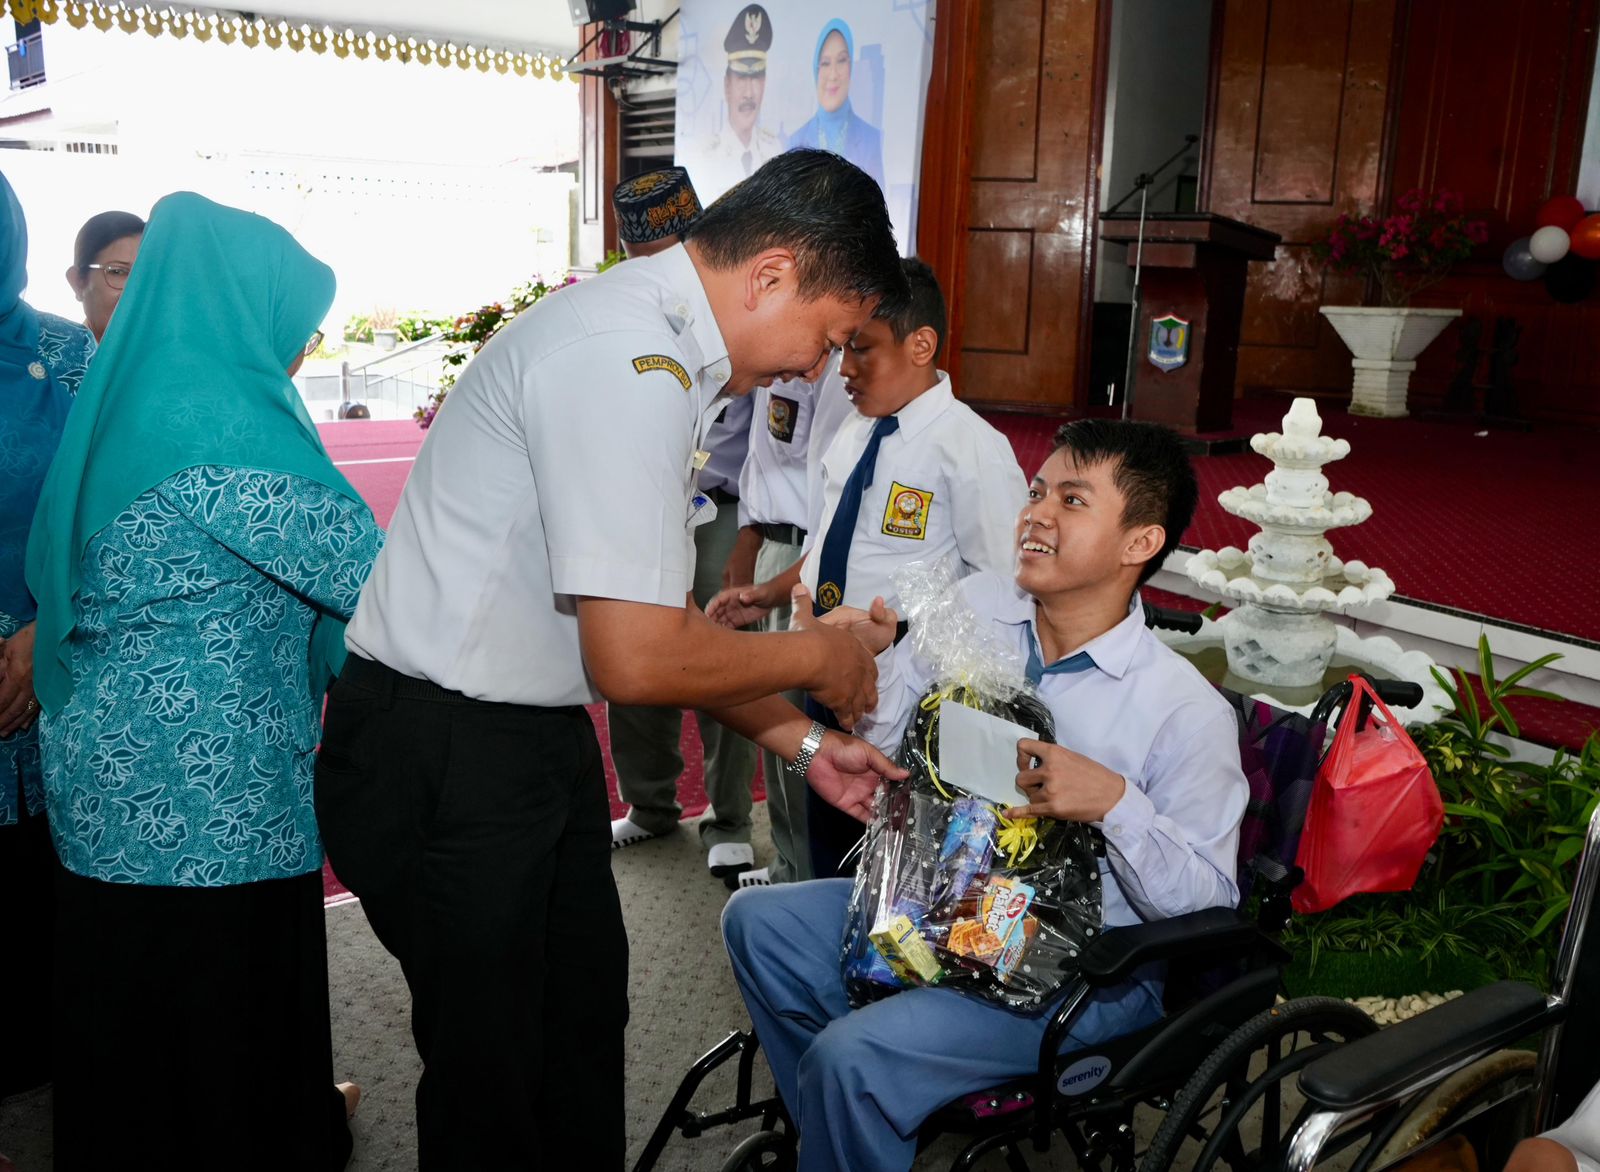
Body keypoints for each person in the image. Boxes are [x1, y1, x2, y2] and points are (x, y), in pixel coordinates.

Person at [315, 149, 910, 1171]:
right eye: (827, 337)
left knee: (580, 1026)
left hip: (521, 738)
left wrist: (805, 744)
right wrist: (822, 652)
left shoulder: (655, 348)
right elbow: (637, 659)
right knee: (495, 1072)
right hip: (447, 749)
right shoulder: (626, 357)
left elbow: (661, 624)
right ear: (770, 274)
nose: (816, 369)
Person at [722, 418, 1250, 1172]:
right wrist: (859, 668)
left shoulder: (1183, 710)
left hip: (1081, 971)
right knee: (757, 922)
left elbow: (1211, 902)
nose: (1036, 514)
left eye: (1072, 500)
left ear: (1140, 542)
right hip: (937, 907)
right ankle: (847, 1121)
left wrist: (1114, 804)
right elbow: (888, 737)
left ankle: (863, 1078)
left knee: (851, 1056)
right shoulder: (977, 610)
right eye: (1036, 492)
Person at [25, 191, 381, 1171]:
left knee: (128, 1004)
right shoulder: (226, 434)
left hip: (105, 771)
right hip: (211, 791)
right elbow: (375, 577)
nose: (298, 352)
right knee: (222, 1009)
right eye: (294, 327)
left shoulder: (127, 398)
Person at [707, 257, 1025, 879]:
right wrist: (772, 595)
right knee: (828, 832)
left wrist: (902, 634)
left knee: (893, 861)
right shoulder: (855, 431)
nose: (844, 369)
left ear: (921, 345)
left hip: (904, 693)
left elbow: (1004, 594)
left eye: (862, 349)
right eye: (843, 348)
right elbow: (831, 544)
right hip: (825, 667)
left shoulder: (971, 449)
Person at [605, 167, 765, 885]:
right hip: (645, 505)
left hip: (722, 506)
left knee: (721, 659)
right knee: (634, 653)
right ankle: (649, 803)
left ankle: (728, 821)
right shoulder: (620, 307)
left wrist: (754, 529)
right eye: (640, 257)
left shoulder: (737, 302)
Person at [0, 171, 96, 1102]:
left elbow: (110, 503)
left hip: (52, 641)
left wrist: (39, 628)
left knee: (46, 861)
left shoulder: (69, 354)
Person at [717, 356, 854, 888]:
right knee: (780, 739)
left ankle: (806, 879)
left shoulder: (837, 366)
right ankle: (787, 865)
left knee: (802, 736)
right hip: (774, 546)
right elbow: (764, 453)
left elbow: (833, 499)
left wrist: (789, 584)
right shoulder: (784, 355)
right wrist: (748, 537)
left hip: (807, 564)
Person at [788, 18, 884, 191]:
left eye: (841, 60)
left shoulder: (870, 139)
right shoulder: (796, 141)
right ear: (816, 70)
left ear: (851, 67)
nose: (833, 74)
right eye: (825, 63)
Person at [699, 4, 782, 200]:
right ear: (727, 85)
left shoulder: (774, 150)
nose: (749, 93)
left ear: (764, 83)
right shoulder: (706, 155)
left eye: (756, 78)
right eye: (742, 78)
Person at [64, 209, 144, 342]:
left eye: (144, 275)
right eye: (117, 272)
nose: (134, 292)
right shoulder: (48, 352)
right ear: (78, 282)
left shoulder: (172, 351)